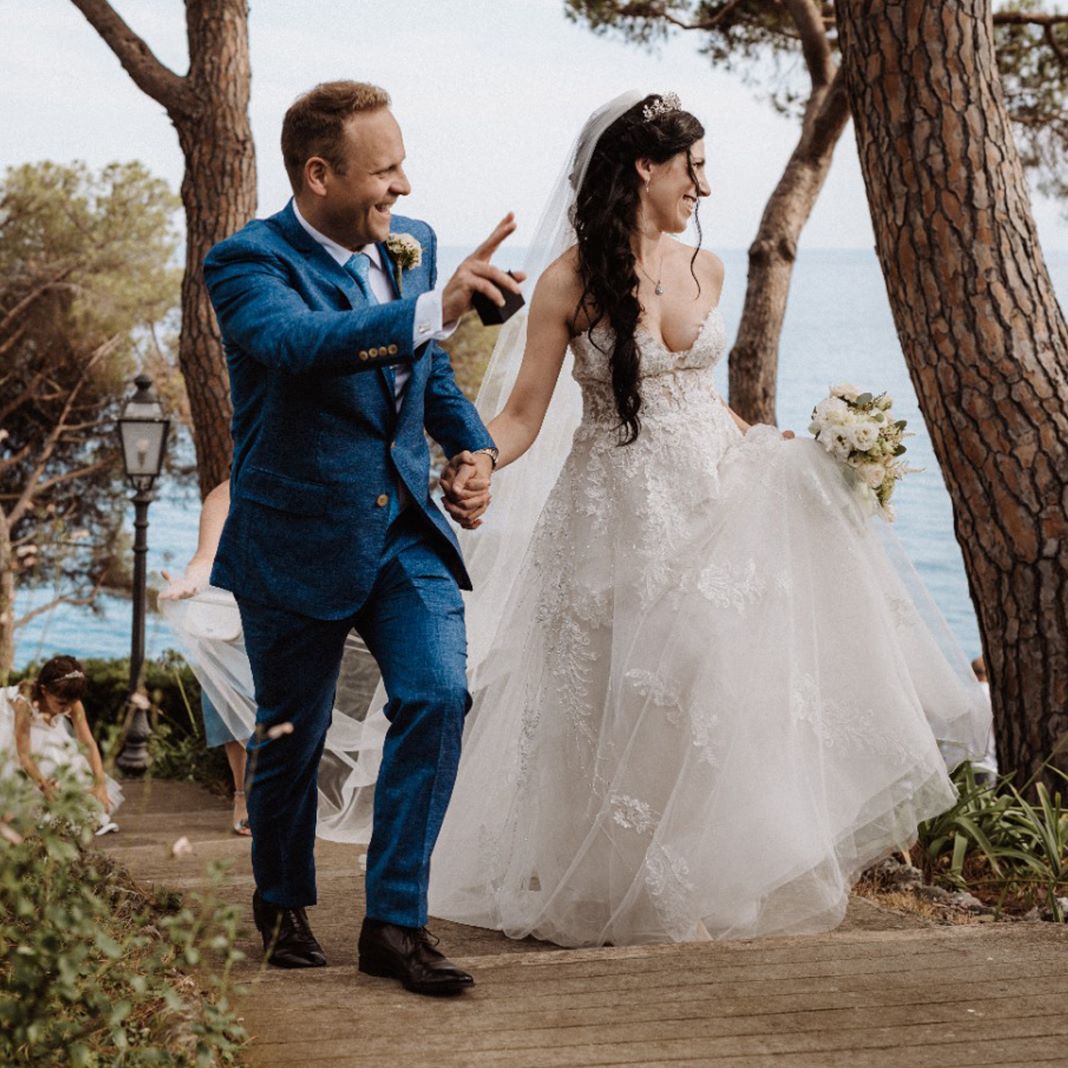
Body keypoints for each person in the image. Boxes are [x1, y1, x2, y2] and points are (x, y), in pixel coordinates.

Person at [414, 91, 993, 947]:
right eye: (695, 167)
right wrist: (479, 456)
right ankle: (606, 884)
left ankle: (693, 881)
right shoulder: (568, 280)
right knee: (611, 695)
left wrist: (786, 450)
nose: (705, 186)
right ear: (644, 167)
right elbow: (527, 413)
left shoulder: (707, 267)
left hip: (713, 499)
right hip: (612, 514)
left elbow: (702, 401)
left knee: (709, 690)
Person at [201, 80, 519, 995]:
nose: (403, 186)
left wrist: (475, 450)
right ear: (318, 174)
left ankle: (394, 923)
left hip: (404, 533)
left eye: (401, 164)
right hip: (294, 534)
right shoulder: (244, 264)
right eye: (384, 171)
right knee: (290, 736)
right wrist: (440, 309)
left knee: (437, 696)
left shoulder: (407, 254)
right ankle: (281, 895)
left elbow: (425, 377)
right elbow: (303, 346)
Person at [161, 481, 251, 836]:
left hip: (277, 612)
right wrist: (191, 583)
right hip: (221, 618)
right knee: (231, 714)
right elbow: (204, 557)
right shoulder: (224, 495)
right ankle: (242, 795)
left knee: (275, 713)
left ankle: (276, 799)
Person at [0, 655, 122, 834]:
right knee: (31, 774)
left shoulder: (72, 703)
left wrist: (99, 784)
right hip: (10, 725)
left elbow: (87, 743)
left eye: (71, 703)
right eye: (61, 704)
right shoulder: (23, 705)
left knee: (65, 763)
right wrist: (45, 788)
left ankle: (69, 813)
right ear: (44, 690)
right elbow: (24, 756)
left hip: (41, 728)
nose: (67, 709)